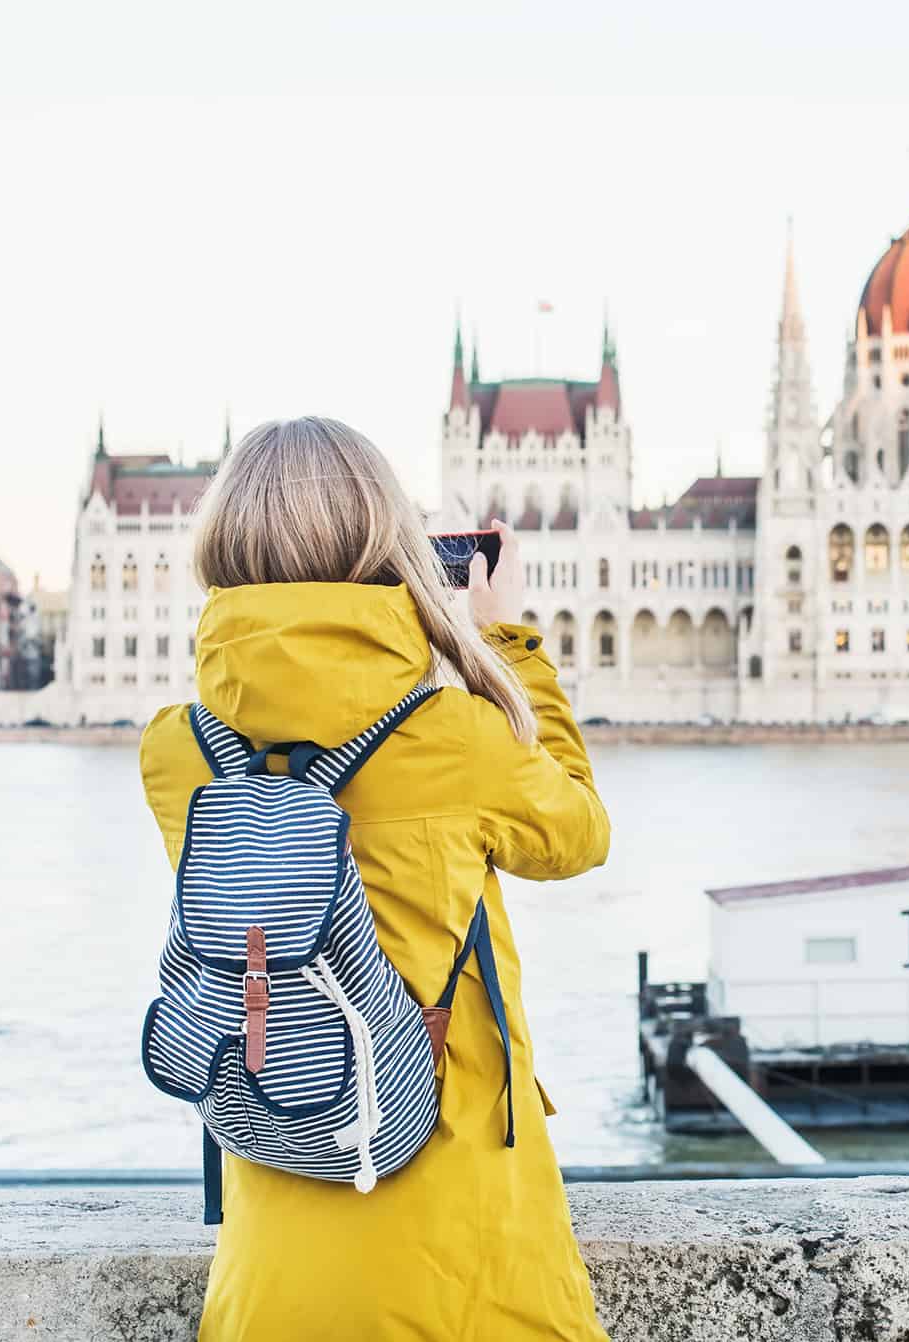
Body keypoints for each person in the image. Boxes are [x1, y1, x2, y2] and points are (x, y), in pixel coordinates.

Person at [138, 416, 612, 1341]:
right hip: (463, 1256)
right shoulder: (455, 739)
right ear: (387, 546)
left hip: (270, 1249)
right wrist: (504, 643)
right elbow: (580, 833)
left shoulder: (178, 755)